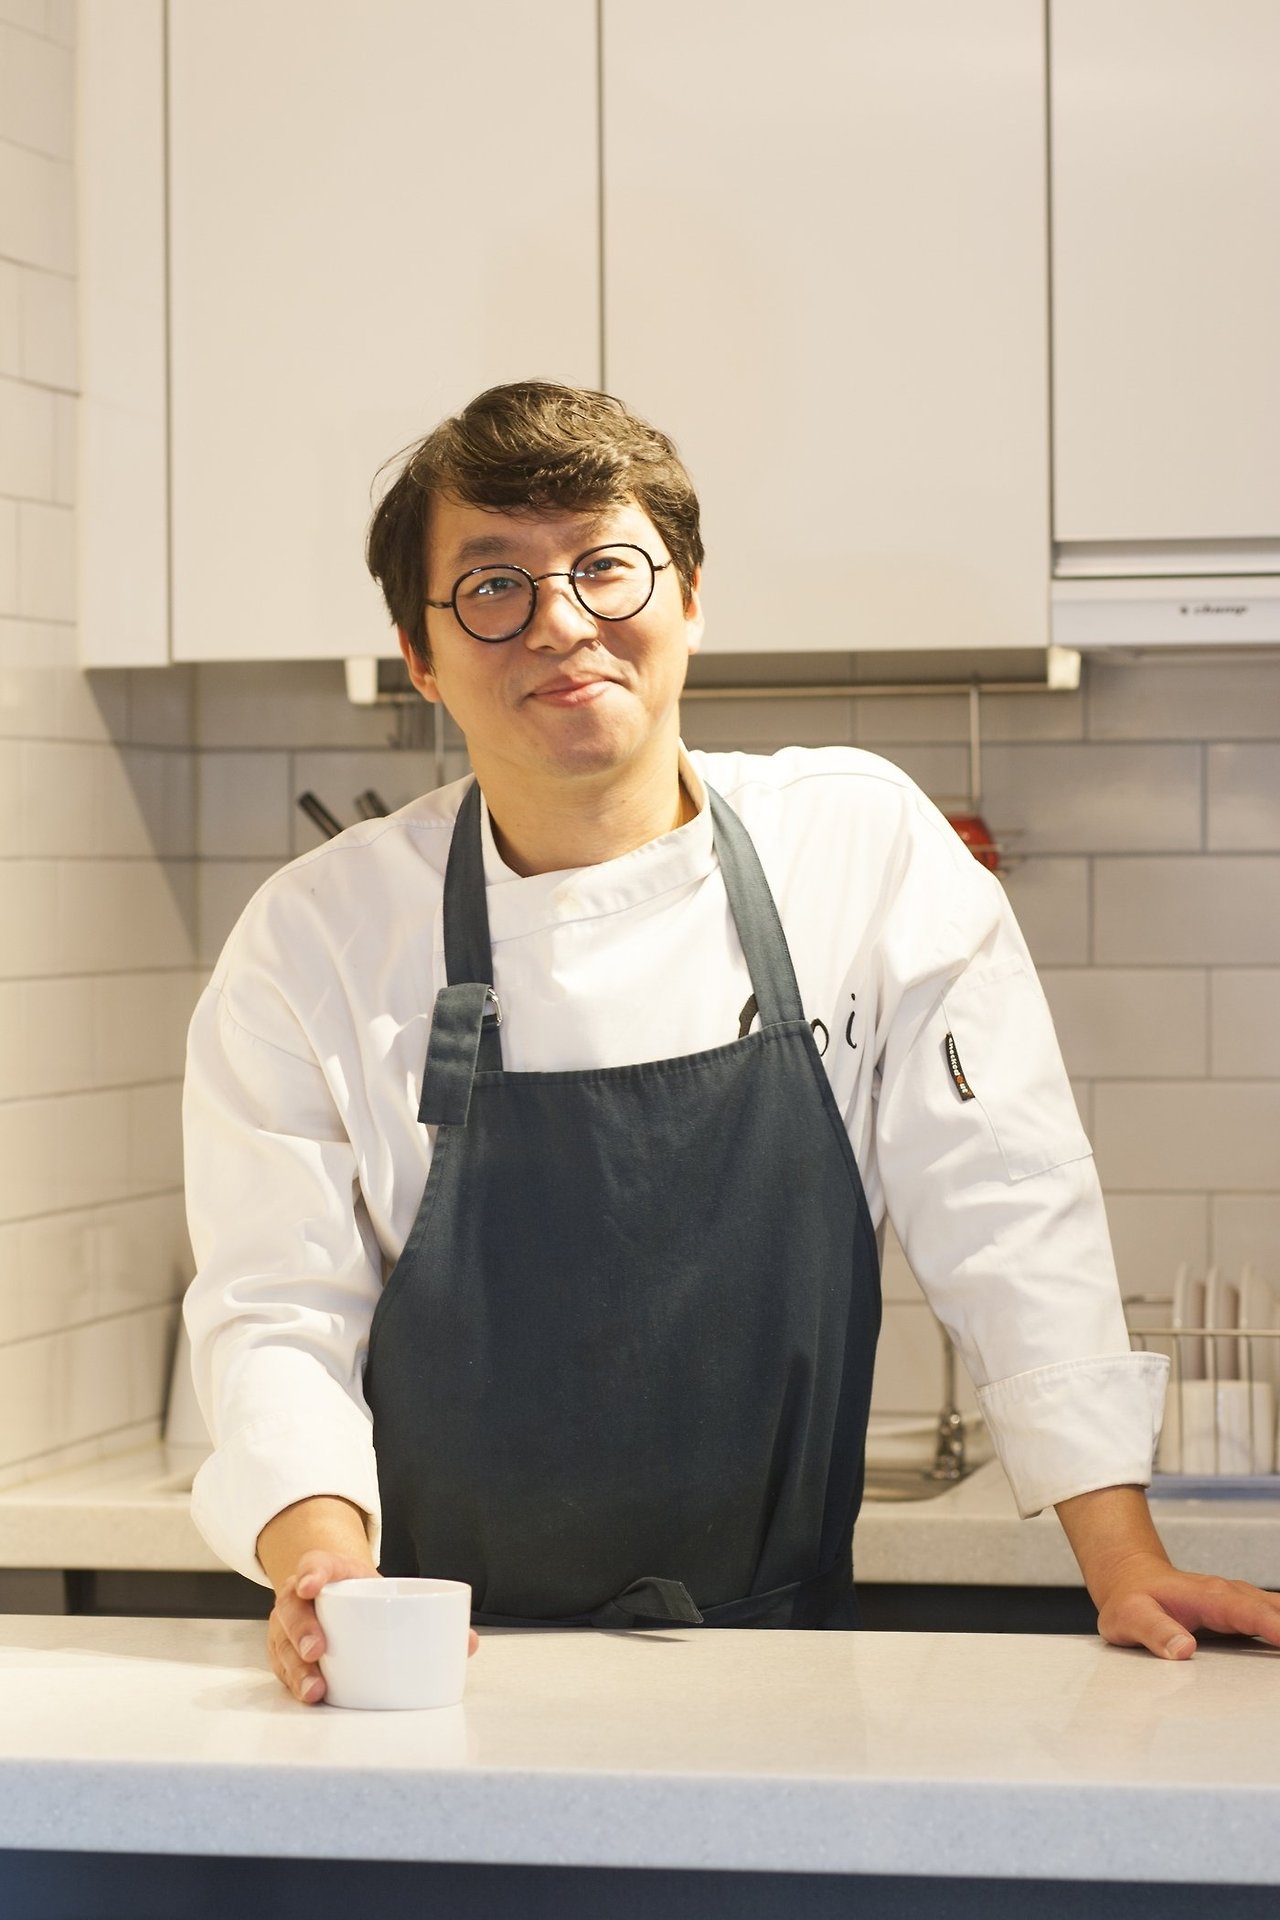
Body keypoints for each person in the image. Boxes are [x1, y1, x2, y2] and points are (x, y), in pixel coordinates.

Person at [182, 381, 1280, 1705]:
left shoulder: (859, 847)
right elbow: (277, 1313)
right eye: (494, 586)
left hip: (791, 1682)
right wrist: (327, 1574)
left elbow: (1009, 1206)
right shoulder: (316, 935)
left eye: (606, 565)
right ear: (422, 657)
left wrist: (1124, 1560)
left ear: (691, 597)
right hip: (436, 1678)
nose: (561, 621)